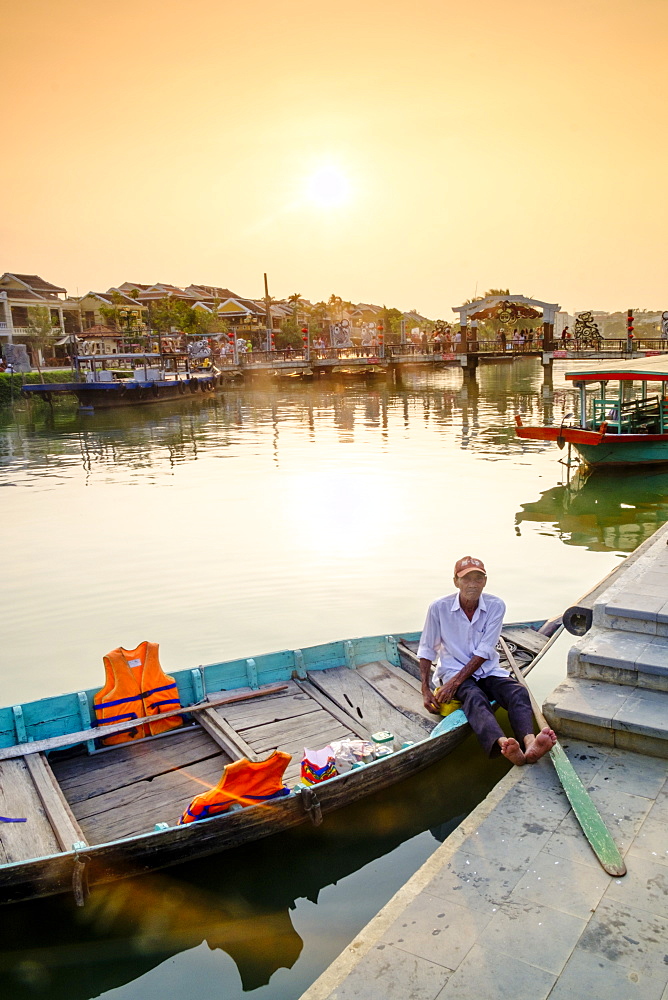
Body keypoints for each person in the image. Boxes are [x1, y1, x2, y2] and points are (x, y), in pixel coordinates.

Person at [418, 556, 556, 766]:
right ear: (456, 581)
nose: (472, 584)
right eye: (466, 579)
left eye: (477, 578)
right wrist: (426, 689)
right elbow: (427, 648)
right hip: (453, 669)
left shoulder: (495, 605)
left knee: (517, 692)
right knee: (474, 696)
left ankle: (529, 743)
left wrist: (454, 684)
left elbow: (484, 651)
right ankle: (505, 745)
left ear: (485, 581)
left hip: (486, 668)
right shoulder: (439, 608)